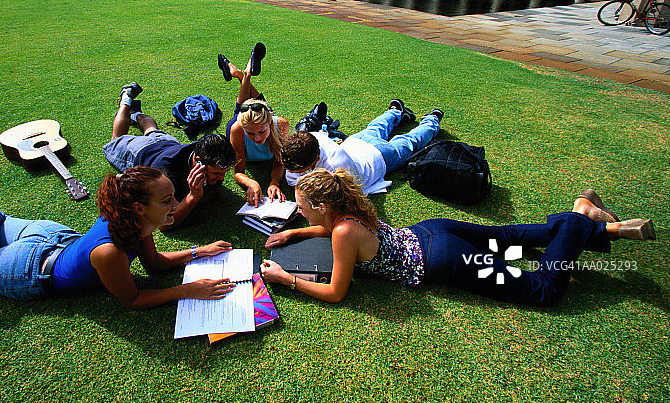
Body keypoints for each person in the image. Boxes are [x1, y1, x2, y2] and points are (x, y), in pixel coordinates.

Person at [0, 128, 237, 306]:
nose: (175, 204)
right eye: (167, 200)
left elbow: (153, 264)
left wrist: (199, 251)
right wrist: (187, 290)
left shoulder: (136, 218)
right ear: (139, 207)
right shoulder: (110, 252)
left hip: (53, 238)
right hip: (26, 269)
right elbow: (133, 298)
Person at [260, 168, 655, 306]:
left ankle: (578, 217)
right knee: (508, 238)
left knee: (543, 289)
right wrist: (294, 230)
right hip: (433, 230)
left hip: (445, 260)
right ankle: (603, 227)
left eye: (303, 208)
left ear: (323, 206)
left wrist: (285, 278)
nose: (299, 210)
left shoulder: (344, 232)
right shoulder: (346, 206)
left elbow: (336, 292)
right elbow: (328, 227)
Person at [103, 82, 237, 228]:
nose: (221, 178)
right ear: (199, 161)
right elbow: (165, 224)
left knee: (151, 129)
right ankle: (126, 98)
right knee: (116, 139)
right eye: (217, 173)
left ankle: (135, 113)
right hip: (142, 150)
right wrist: (193, 197)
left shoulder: (209, 153)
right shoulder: (164, 173)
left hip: (168, 142)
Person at [281, 99, 442, 194]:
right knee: (376, 127)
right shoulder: (303, 143)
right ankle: (395, 111)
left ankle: (432, 120)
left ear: (315, 159)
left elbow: (343, 201)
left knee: (409, 142)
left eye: (298, 169)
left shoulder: (336, 167)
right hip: (357, 142)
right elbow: (295, 181)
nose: (291, 171)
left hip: (379, 157)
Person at [217, 43, 290, 206]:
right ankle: (243, 74)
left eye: (262, 132)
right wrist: (252, 183)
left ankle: (242, 74)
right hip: (240, 122)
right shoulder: (238, 129)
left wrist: (274, 182)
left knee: (258, 106)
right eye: (250, 134)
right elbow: (238, 172)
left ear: (270, 123)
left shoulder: (281, 125)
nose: (257, 138)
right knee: (245, 108)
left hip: (264, 118)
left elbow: (280, 161)